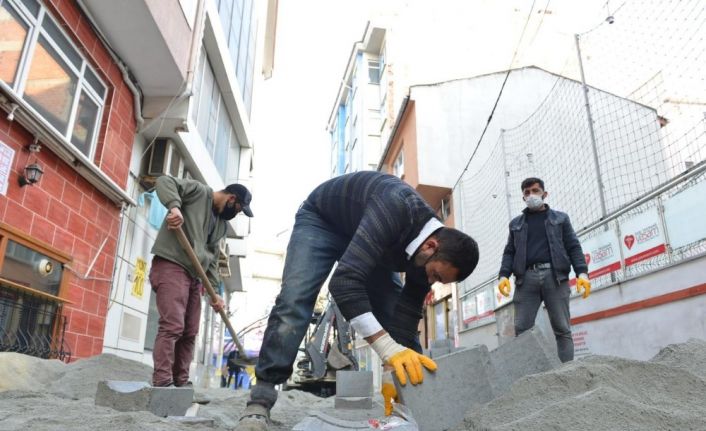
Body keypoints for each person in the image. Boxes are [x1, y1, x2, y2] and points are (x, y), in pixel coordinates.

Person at [236, 171, 479, 430]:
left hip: (371, 242)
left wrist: (396, 378)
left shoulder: (427, 258)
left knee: (392, 308)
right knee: (295, 301)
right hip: (323, 221)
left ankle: (409, 409)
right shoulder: (395, 206)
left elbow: (405, 320)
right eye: (436, 275)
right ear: (430, 246)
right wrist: (388, 350)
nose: (431, 282)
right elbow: (343, 283)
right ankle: (260, 401)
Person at [149, 176, 253, 387]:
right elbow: (164, 182)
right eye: (239, 208)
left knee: (189, 332)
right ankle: (162, 381)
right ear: (231, 198)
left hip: (195, 276)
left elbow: (213, 260)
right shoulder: (199, 191)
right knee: (172, 326)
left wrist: (215, 292)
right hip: (172, 264)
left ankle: (181, 381)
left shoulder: (221, 226)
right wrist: (174, 207)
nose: (236, 214)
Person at [497, 177, 591, 363]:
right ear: (523, 197)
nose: (531, 195)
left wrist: (582, 273)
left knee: (562, 329)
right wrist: (503, 276)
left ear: (544, 194)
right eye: (527, 192)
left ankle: (567, 372)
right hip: (526, 279)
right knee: (522, 331)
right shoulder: (516, 224)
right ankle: (529, 376)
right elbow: (510, 251)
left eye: (535, 191)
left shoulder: (561, 219)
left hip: (556, 278)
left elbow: (573, 246)